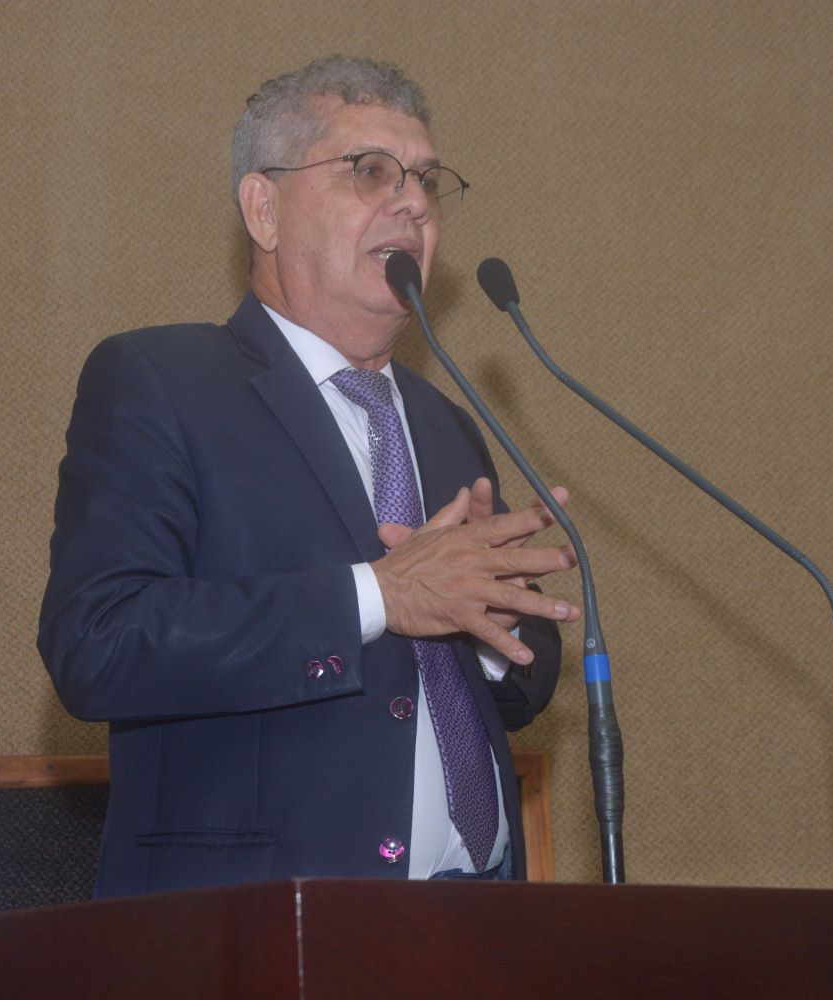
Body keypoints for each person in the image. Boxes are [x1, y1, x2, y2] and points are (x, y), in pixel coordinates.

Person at [38, 55, 579, 897]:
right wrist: (376, 595)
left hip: (481, 911)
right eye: (371, 171)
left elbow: (517, 690)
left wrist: (496, 627)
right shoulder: (161, 382)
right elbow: (99, 643)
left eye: (426, 181)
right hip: (256, 919)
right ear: (264, 209)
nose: (413, 202)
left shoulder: (447, 425)